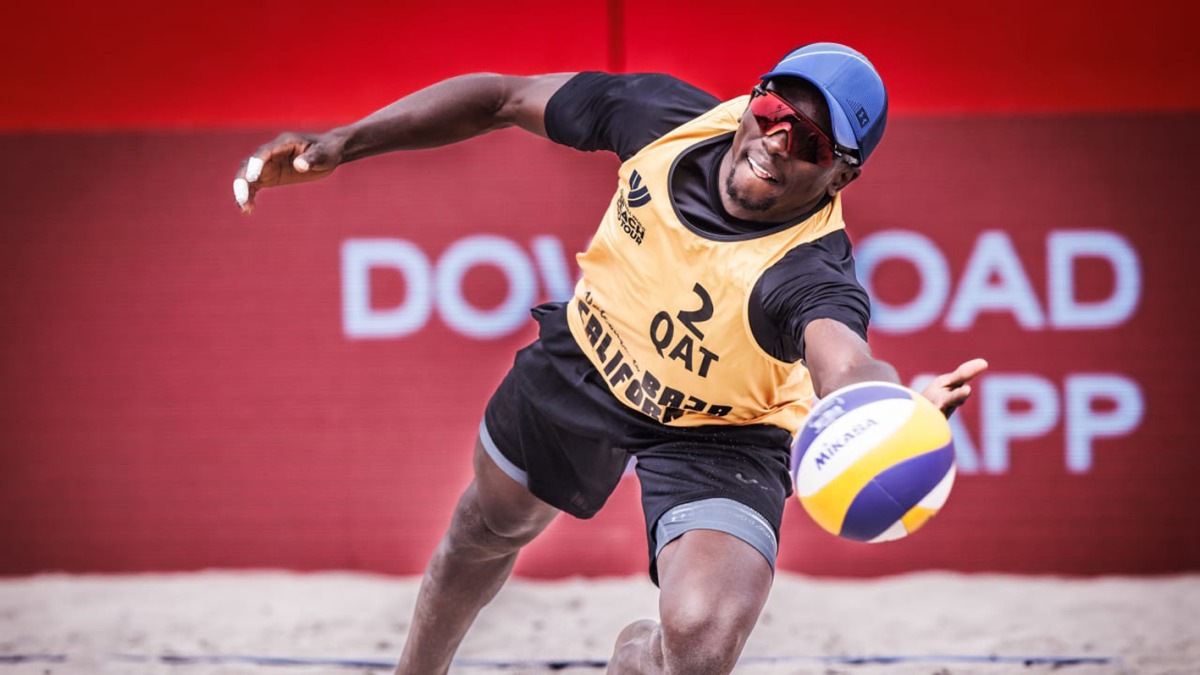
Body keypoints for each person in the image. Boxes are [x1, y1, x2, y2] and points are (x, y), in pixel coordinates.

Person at [232, 42, 988, 675]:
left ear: (841, 175)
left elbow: (846, 364)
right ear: (751, 102)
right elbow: (500, 97)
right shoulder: (664, 119)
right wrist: (345, 143)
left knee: (701, 644)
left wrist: (890, 412)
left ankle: (639, 656)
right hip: (593, 358)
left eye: (811, 143)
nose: (776, 142)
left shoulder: (807, 274)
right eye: (772, 113)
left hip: (724, 427)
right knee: (483, 530)